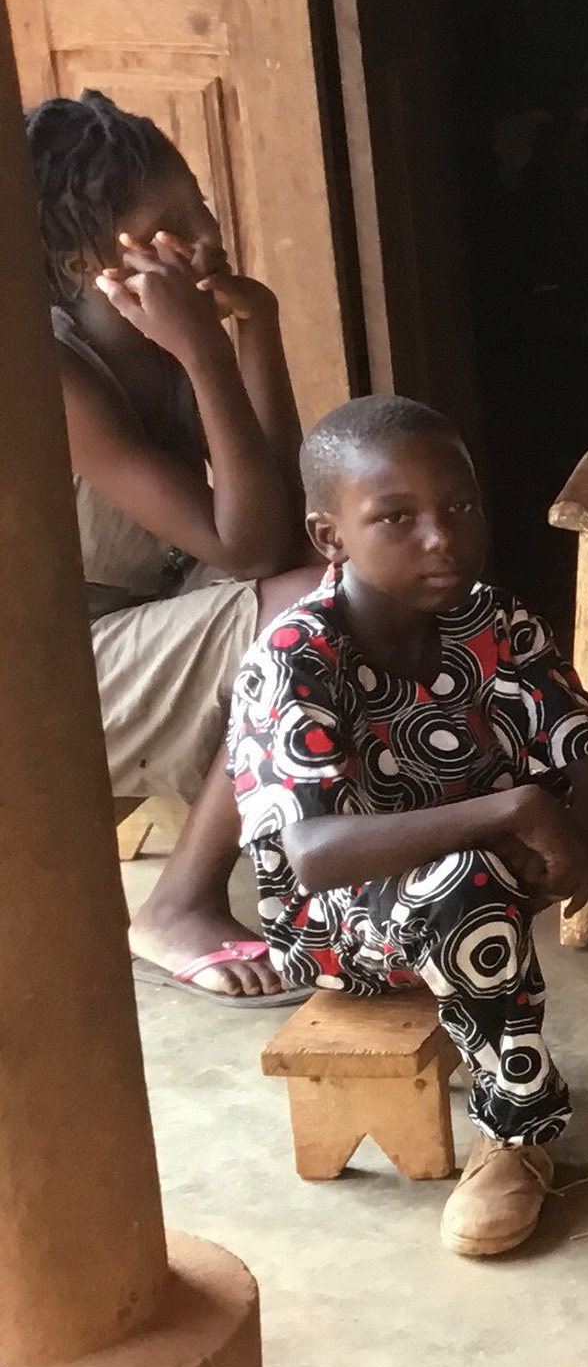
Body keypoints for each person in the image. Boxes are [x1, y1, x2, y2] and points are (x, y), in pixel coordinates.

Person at [231, 398, 588, 1259]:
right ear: (330, 536)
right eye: (396, 517)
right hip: (357, 918)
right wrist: (515, 811)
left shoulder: (489, 620)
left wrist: (574, 831)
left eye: (459, 506)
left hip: (504, 856)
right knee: (459, 873)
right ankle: (514, 1130)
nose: (441, 537)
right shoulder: (295, 658)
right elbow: (313, 855)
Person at [38, 94, 321, 1005]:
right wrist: (204, 351)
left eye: (199, 206)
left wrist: (257, 330)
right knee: (305, 605)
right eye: (168, 225)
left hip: (142, 609)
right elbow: (246, 547)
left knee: (339, 566)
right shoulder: (58, 373)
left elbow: (277, 515)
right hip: (51, 671)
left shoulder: (159, 331)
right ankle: (176, 904)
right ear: (84, 263)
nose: (204, 237)